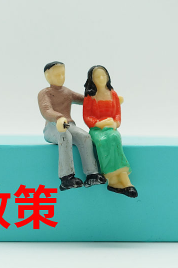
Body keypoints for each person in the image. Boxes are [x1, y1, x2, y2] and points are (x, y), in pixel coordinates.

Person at [38, 62, 107, 190]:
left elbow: (85, 100)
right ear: (47, 76)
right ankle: (66, 177)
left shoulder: (67, 92)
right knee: (65, 136)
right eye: (57, 74)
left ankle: (92, 174)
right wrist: (58, 117)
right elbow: (46, 110)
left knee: (84, 137)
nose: (61, 77)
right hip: (53, 126)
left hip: (69, 125)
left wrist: (100, 97)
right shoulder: (44, 93)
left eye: (62, 74)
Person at [83, 65, 138, 198]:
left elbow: (117, 114)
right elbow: (86, 116)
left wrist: (114, 123)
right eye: (97, 77)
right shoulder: (90, 96)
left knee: (114, 137)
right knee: (103, 141)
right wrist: (98, 123)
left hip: (110, 128)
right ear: (92, 79)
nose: (101, 78)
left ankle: (121, 177)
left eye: (104, 75)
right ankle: (114, 178)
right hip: (97, 129)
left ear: (108, 77)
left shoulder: (113, 94)